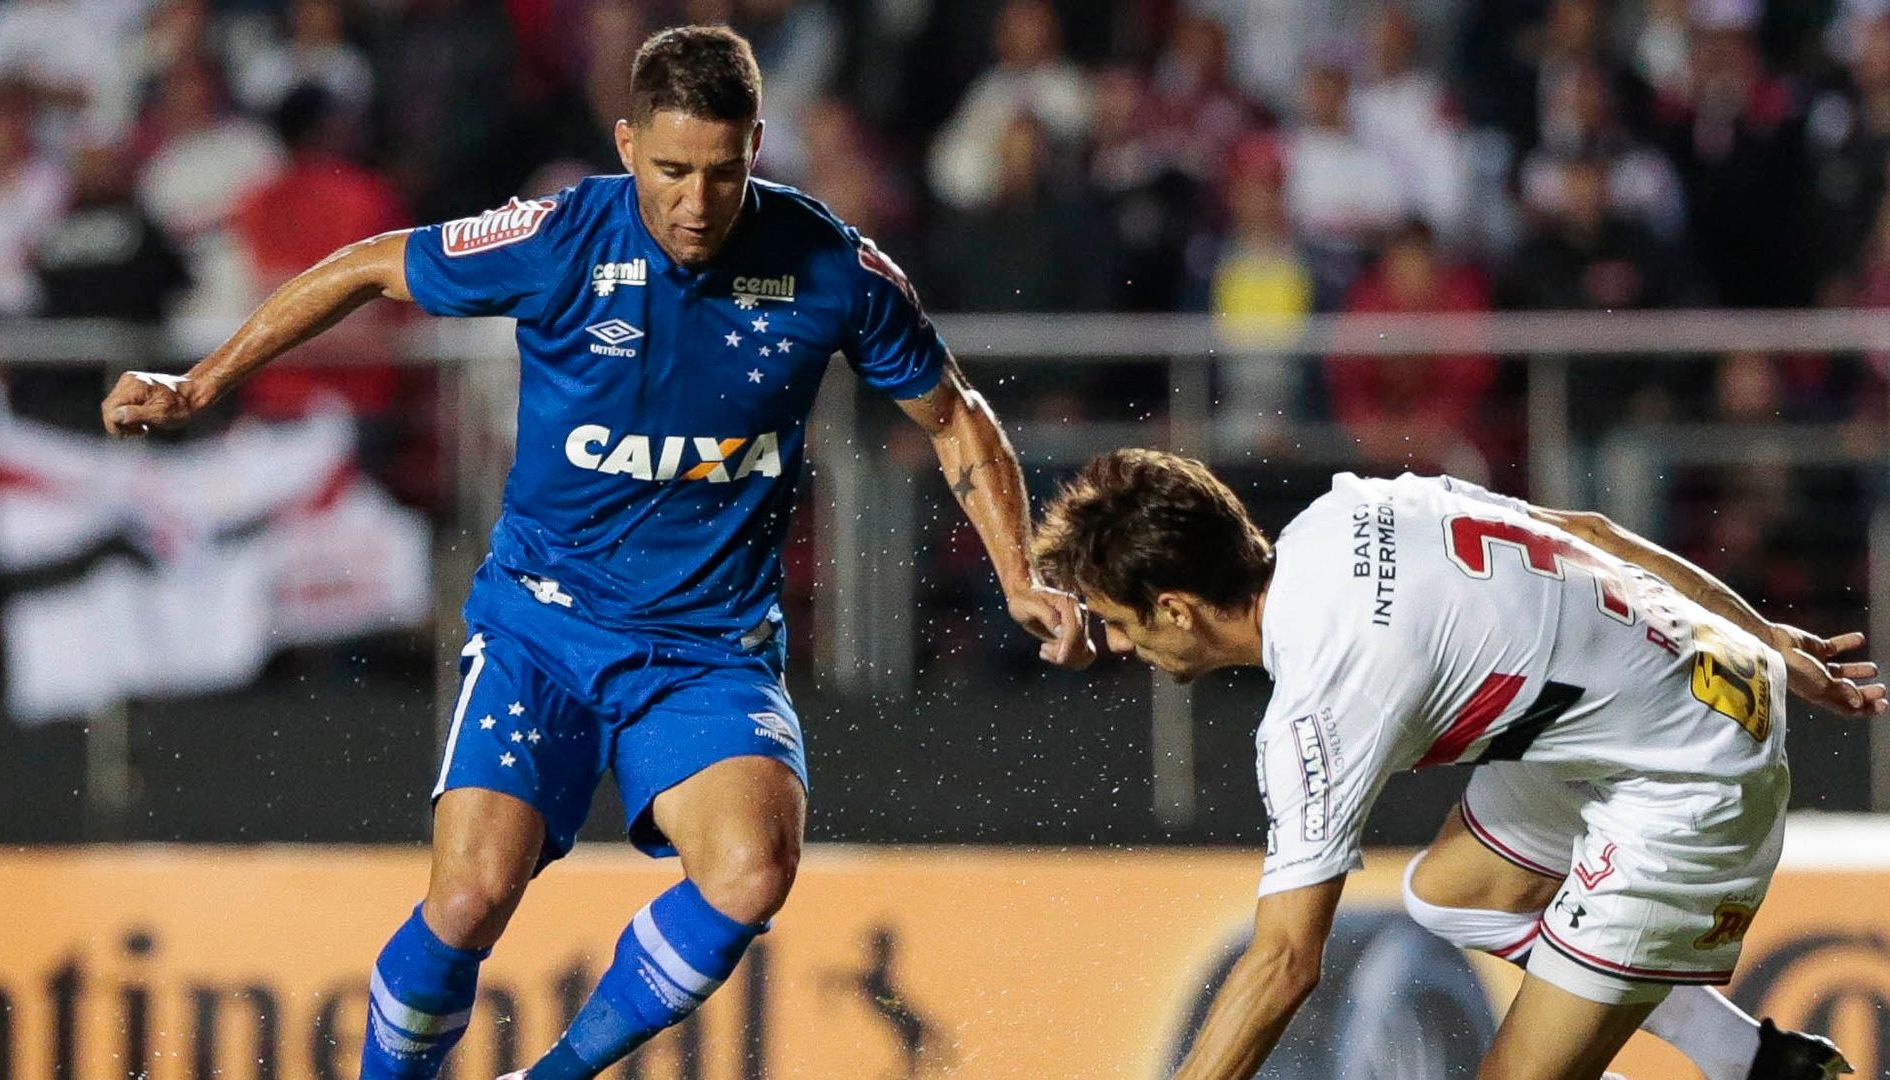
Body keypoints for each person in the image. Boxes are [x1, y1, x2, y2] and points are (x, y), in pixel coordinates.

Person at [100, 25, 1093, 1080]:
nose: (696, 202)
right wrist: (202, 382)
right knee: (472, 897)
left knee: (752, 871)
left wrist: (1020, 571)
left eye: (723, 171)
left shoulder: (830, 268)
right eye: (671, 170)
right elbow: (367, 267)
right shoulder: (563, 235)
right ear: (627, 146)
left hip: (706, 650)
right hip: (542, 627)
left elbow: (955, 415)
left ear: (757, 144)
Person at [1032, 449, 1880, 1080]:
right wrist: (1762, 638)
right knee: (1452, 893)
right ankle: (1756, 1065)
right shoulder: (1349, 510)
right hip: (1690, 690)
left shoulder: (1320, 704)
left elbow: (1285, 962)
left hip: (1691, 779)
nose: (1114, 641)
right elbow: (1593, 534)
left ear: (1176, 609)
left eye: (1116, 619)